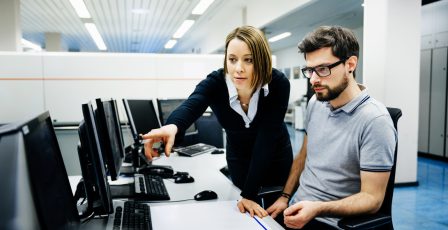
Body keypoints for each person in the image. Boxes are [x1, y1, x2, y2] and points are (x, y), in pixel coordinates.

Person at [142, 25, 293, 218]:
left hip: (274, 157)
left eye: (249, 60)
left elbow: (267, 139)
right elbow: (192, 104)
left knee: (274, 217)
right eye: (232, 59)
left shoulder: (278, 84)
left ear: (262, 60)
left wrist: (250, 194)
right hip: (238, 158)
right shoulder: (216, 82)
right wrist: (172, 126)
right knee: (244, 214)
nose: (238, 68)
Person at [266, 25, 397, 229]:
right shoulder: (316, 103)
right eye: (309, 70)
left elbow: (373, 199)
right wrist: (284, 197)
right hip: (295, 209)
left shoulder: (375, 120)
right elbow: (303, 156)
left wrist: (318, 208)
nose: (314, 79)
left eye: (323, 69)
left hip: (331, 221)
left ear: (350, 64)